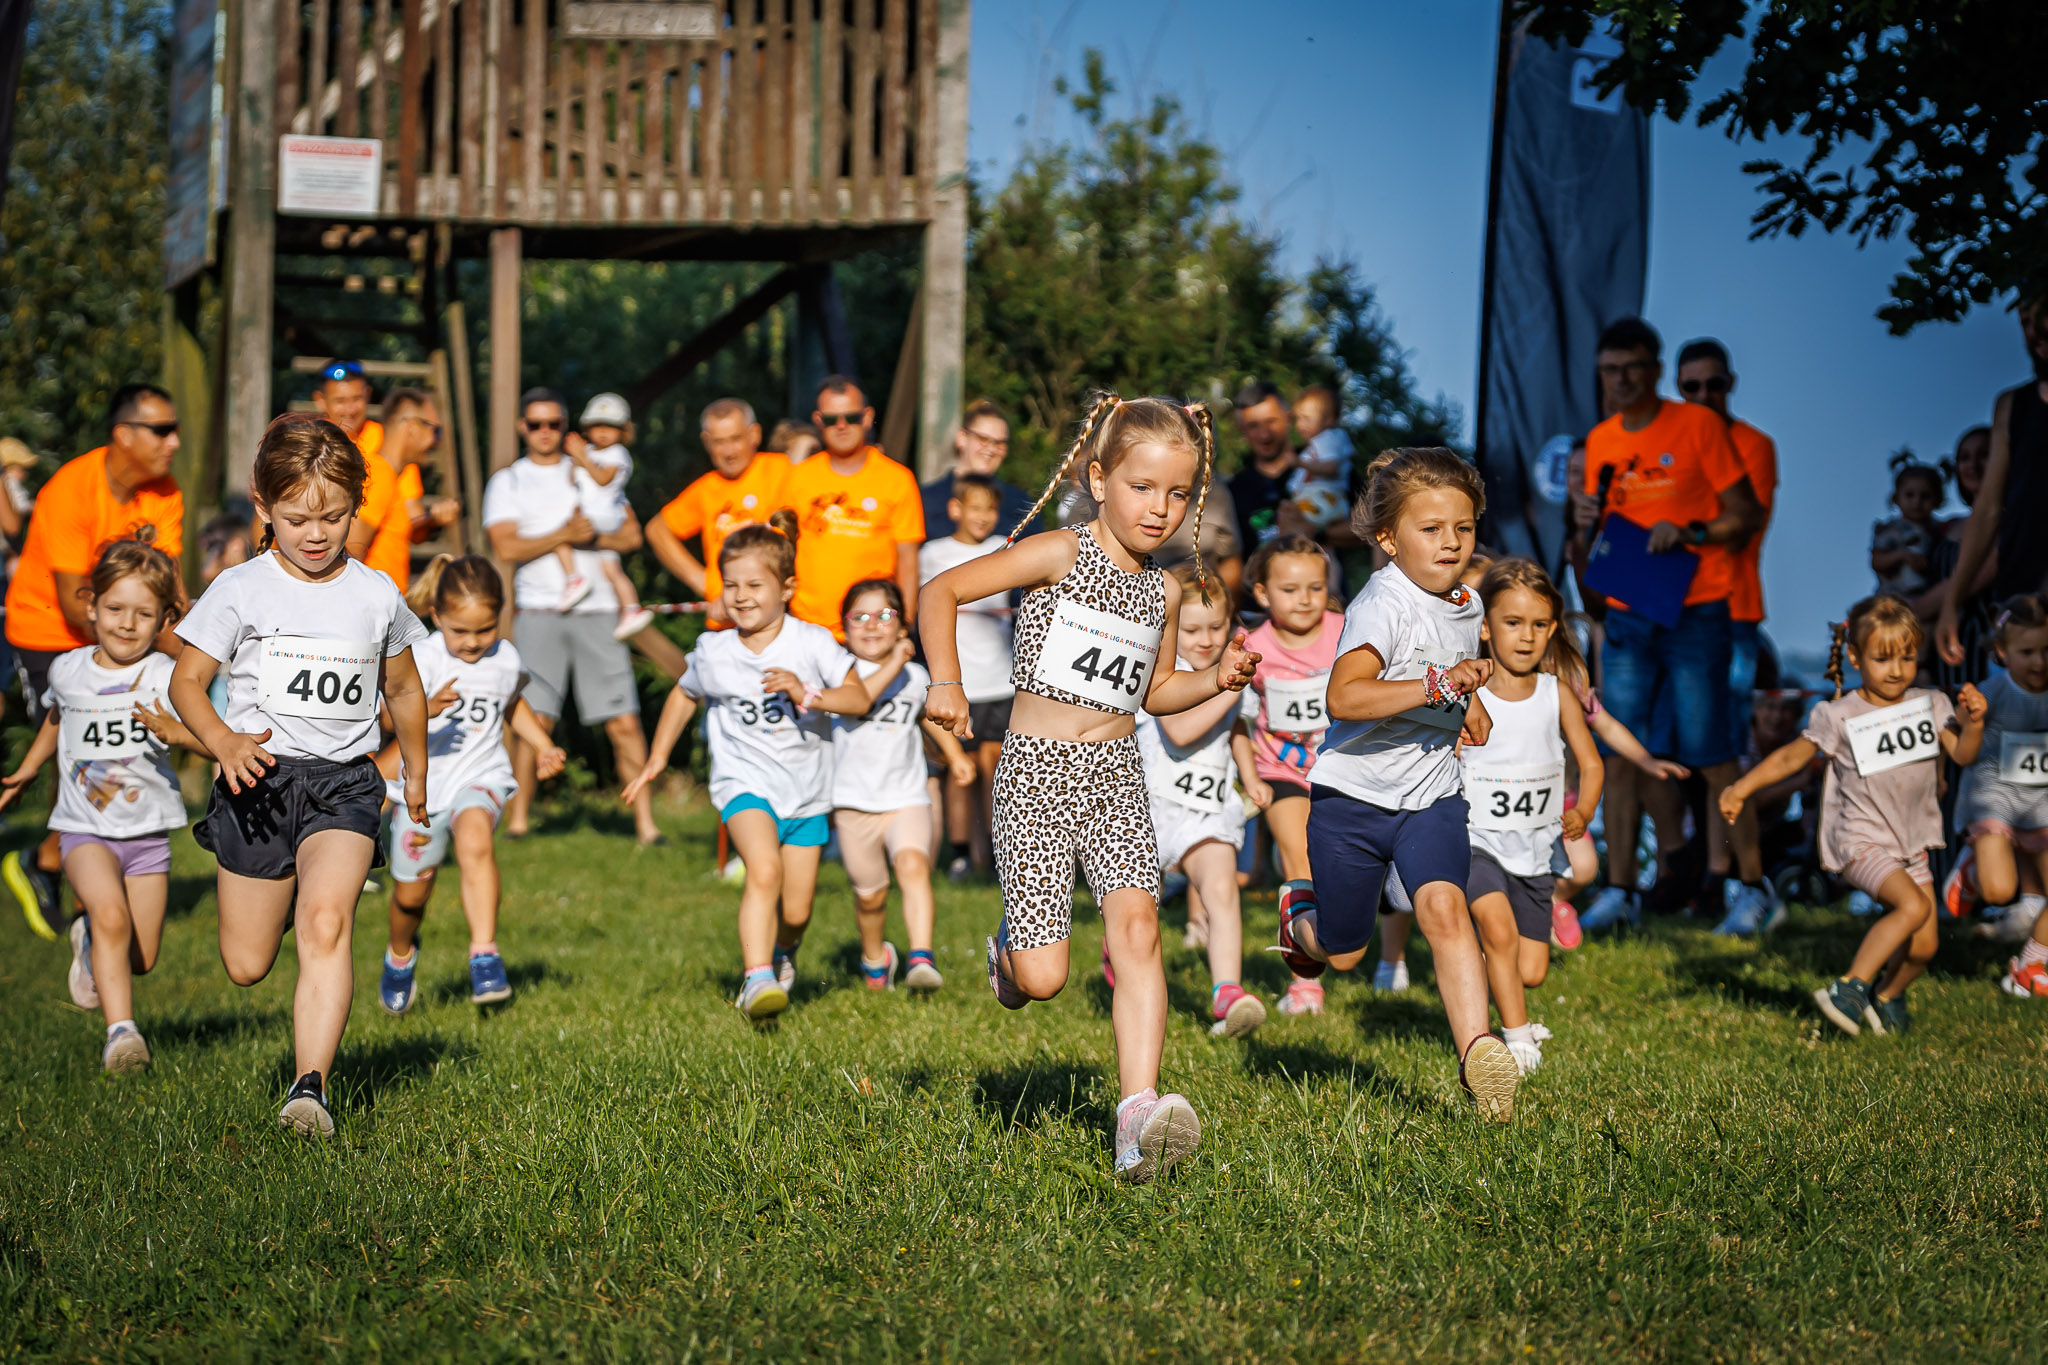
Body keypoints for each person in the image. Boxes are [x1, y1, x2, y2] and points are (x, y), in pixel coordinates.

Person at [921, 393, 1257, 1184]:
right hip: (1035, 770)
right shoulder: (1058, 552)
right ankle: (1009, 952)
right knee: (1045, 979)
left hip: (1116, 774)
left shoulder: (1166, 591)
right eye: (1144, 487)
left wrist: (1215, 676)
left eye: (1178, 494)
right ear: (1099, 478)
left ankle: (1136, 1114)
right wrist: (947, 680)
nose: (1160, 508)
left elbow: (1157, 691)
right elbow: (941, 593)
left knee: (1137, 929)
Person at [169, 415, 432, 1137]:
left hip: (344, 785)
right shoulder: (240, 587)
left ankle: (309, 1089)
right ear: (263, 508)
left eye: (334, 516)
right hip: (258, 782)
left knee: (327, 922)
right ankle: (278, 888)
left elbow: (404, 690)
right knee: (247, 963)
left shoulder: (376, 593)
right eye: (296, 518)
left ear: (356, 506)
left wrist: (414, 771)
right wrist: (220, 739)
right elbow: (187, 682)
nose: (316, 534)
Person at [1269, 446, 1523, 1123]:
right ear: (1389, 538)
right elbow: (1347, 697)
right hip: (1352, 801)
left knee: (1444, 908)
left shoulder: (1467, 601)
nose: (1451, 542)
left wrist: (1464, 704)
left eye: (1463, 528)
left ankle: (1479, 1055)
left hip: (1432, 798)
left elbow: (1444, 668)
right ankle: (1302, 921)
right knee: (1345, 947)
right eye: (1431, 528)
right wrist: (1444, 686)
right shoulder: (1382, 601)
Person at [621, 513, 908, 1019]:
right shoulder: (713, 651)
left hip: (808, 792)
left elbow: (858, 698)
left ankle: (783, 953)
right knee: (763, 869)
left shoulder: (811, 643)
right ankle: (756, 979)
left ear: (788, 588)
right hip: (743, 784)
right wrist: (658, 758)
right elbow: (684, 695)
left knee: (796, 911)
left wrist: (807, 692)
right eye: (730, 584)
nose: (740, 595)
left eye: (755, 584)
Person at [1575, 317, 1769, 937]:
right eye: (1610, 369)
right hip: (1631, 615)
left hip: (1698, 609)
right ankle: (1621, 890)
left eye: (1633, 367)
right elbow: (1596, 541)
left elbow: (1746, 514)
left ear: (1655, 370)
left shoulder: (1699, 425)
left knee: (1711, 752)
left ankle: (1751, 886)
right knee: (1621, 750)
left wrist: (1690, 532)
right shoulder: (1601, 440)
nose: (1622, 379)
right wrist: (1584, 522)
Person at [1721, 595, 1984, 1037]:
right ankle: (1850, 987)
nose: (1897, 669)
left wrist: (1973, 723)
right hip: (1860, 838)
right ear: (1856, 657)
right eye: (1883, 658)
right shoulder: (1839, 714)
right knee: (1913, 905)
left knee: (1924, 946)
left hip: (1913, 840)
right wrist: (1743, 788)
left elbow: (1962, 753)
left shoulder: (1932, 704)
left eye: (1907, 656)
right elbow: (1792, 758)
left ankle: (1886, 996)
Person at [0, 542, 205, 1073]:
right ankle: (122, 1035)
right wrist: (26, 771)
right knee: (111, 916)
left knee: (142, 956)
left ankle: (87, 938)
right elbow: (55, 718)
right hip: (82, 829)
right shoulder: (68, 671)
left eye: (143, 614)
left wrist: (177, 734)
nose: (127, 624)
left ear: (165, 618)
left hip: (148, 836)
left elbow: (207, 734)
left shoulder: (165, 675)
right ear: (91, 605)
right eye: (115, 609)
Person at [3, 382, 185, 944]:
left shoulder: (164, 494)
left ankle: (48, 861)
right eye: (160, 430)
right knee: (80, 752)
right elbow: (71, 602)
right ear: (123, 434)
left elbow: (169, 595)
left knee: (107, 754)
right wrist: (156, 641)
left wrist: (197, 654)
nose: (173, 442)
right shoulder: (69, 489)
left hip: (123, 628)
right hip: (50, 632)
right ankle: (94, 920)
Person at [377, 555, 567, 1016]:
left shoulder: (506, 657)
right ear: (437, 617)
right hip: (421, 792)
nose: (474, 642)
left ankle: (485, 954)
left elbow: (512, 702)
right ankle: (400, 954)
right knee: (410, 895)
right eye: (461, 631)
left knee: (477, 838)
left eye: (485, 630)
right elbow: (384, 719)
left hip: (481, 777)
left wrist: (542, 745)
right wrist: (425, 708)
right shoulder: (420, 656)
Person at [483, 388, 661, 846]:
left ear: (568, 428)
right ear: (523, 427)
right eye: (536, 424)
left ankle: (647, 824)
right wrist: (564, 534)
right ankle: (518, 821)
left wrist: (583, 539)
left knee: (623, 721)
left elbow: (631, 536)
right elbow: (505, 546)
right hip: (540, 608)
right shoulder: (509, 480)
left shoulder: (589, 468)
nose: (546, 432)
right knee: (535, 721)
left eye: (555, 424)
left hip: (600, 608)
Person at [1464, 558, 1605, 1070]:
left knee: (1531, 970)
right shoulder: (1466, 695)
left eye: (1539, 625)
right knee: (1496, 928)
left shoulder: (1555, 694)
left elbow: (1590, 764)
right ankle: (1517, 1039)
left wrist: (1584, 810)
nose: (1527, 637)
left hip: (1538, 849)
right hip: (1476, 841)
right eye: (1512, 622)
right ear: (1484, 627)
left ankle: (1468, 973)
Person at [1136, 559, 1267, 1038]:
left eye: (1217, 626)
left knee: (1222, 890)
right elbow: (1181, 728)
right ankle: (1119, 960)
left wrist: (1250, 777)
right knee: (1135, 916)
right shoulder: (1163, 673)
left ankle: (1227, 992)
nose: (1206, 639)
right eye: (1191, 629)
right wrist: (1230, 687)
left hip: (1208, 810)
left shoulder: (1227, 674)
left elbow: (1236, 730)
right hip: (1148, 812)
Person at [832, 578, 975, 992]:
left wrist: (955, 757)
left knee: (914, 867)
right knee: (870, 896)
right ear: (842, 627)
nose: (872, 625)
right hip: (852, 801)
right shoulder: (839, 674)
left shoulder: (914, 677)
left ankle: (921, 959)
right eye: (859, 616)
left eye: (884, 615)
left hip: (906, 795)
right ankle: (876, 958)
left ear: (902, 626)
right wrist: (894, 662)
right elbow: (859, 698)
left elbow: (929, 715)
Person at [1239, 535, 1344, 1014]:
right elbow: (1237, 716)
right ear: (1262, 593)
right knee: (1296, 858)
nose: (1304, 598)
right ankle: (1304, 983)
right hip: (1280, 771)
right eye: (1289, 589)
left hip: (1343, 772)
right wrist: (1250, 776)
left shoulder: (1346, 632)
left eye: (1314, 587)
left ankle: (1389, 961)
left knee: (1349, 873)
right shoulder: (1252, 647)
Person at [1675, 338, 1779, 754]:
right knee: (1666, 745)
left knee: (1727, 741)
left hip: (1732, 611)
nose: (1704, 396)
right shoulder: (1667, 443)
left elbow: (1740, 529)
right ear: (1678, 388)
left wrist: (1681, 527)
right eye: (1692, 387)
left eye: (1713, 385)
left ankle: (1722, 822)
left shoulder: (1755, 445)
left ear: (1730, 384)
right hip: (1668, 610)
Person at [1938, 295, 2048, 671]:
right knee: (2015, 721)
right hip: (2021, 594)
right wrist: (1951, 601)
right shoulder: (2012, 405)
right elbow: (1987, 508)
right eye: (2027, 322)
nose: (2037, 332)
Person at [916, 473, 1015, 878]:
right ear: (955, 509)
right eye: (975, 507)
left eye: (991, 509)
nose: (984, 517)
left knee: (996, 768)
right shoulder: (932, 554)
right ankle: (959, 854)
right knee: (961, 770)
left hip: (1001, 677)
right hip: (957, 679)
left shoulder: (1004, 549)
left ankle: (992, 853)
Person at [1941, 596, 2048, 948]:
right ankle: (1973, 870)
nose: (2039, 661)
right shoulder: (1991, 693)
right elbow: (1957, 743)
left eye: (2047, 650)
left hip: (2040, 805)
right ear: (2002, 652)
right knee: (1999, 891)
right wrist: (1969, 722)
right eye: (2027, 652)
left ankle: (2033, 962)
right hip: (1994, 801)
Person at [783, 376, 925, 638]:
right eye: (830, 419)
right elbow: (779, 552)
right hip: (806, 630)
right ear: (817, 421)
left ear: (868, 417)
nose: (841, 426)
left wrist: (903, 626)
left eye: (851, 417)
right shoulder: (797, 477)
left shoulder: (897, 479)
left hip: (873, 633)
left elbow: (908, 561)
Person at [649, 398, 793, 631]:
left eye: (735, 439)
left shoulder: (782, 470)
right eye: (719, 442)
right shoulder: (707, 489)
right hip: (726, 623)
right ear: (706, 442)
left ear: (754, 434)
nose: (729, 452)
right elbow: (657, 530)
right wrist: (704, 583)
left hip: (777, 619)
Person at [553, 393, 655, 640]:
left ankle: (573, 578)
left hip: (605, 515)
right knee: (612, 569)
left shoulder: (618, 454)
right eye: (597, 426)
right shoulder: (588, 452)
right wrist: (575, 456)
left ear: (623, 431)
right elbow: (572, 480)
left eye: (610, 427)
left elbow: (602, 479)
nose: (603, 433)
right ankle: (631, 608)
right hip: (594, 513)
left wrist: (582, 457)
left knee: (559, 536)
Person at [345, 377, 461, 592]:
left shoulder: (392, 474)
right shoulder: (379, 474)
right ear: (411, 427)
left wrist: (432, 521)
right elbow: (352, 550)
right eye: (434, 430)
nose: (436, 441)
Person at [1917, 426, 1996, 691]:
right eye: (1964, 458)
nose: (1972, 465)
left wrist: (1900, 613)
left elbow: (1971, 579)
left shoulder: (2014, 524)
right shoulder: (1945, 527)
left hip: (1983, 649)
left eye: (1984, 455)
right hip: (1935, 654)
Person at [919, 400, 1036, 540]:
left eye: (999, 443)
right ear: (962, 438)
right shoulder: (925, 500)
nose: (991, 449)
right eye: (983, 439)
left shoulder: (1021, 504)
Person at [1227, 381, 1295, 549]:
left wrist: (1319, 532)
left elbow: (1365, 527)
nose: (1264, 434)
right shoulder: (1233, 491)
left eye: (1271, 421)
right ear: (1241, 429)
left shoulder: (1323, 466)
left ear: (1288, 418)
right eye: (1253, 426)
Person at [1869, 452, 1944, 595]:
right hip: (1893, 599)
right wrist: (1902, 556)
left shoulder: (1939, 530)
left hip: (1930, 597)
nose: (1917, 502)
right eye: (1910, 495)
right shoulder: (1891, 530)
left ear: (1937, 500)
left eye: (1925, 496)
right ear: (1896, 498)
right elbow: (1877, 561)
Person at [1288, 386, 1356, 531]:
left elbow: (1330, 467)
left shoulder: (1328, 438)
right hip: (1320, 500)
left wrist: (1300, 463)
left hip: (1325, 498)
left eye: (1306, 418)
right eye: (1298, 418)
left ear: (1328, 420)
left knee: (1295, 527)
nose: (1299, 425)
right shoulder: (1317, 442)